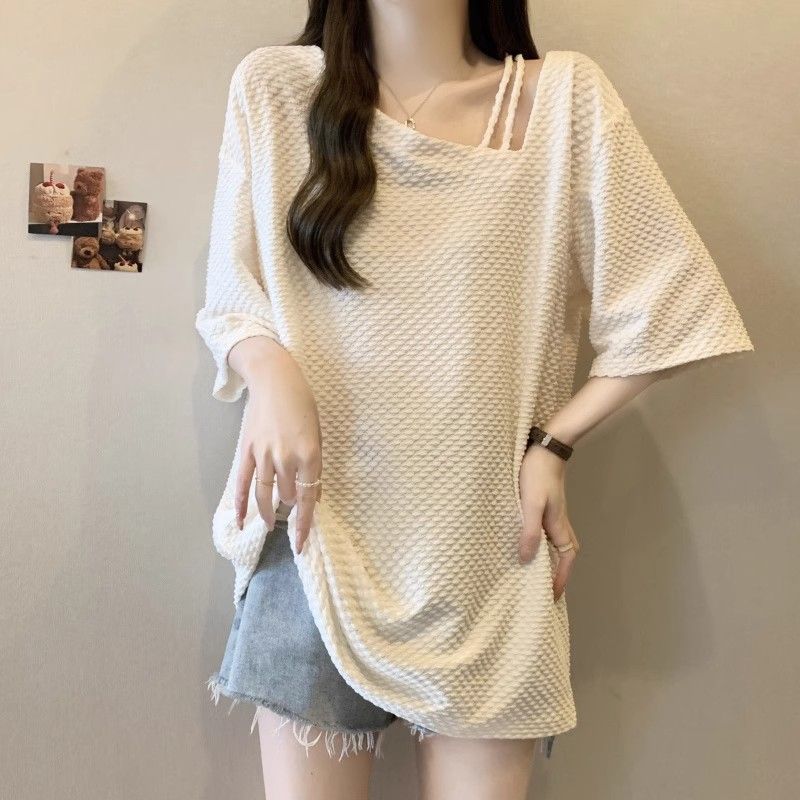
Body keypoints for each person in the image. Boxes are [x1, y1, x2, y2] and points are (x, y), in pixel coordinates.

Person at [195, 2, 755, 798]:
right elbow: (231, 297)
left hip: (491, 549)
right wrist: (270, 370)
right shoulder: (277, 90)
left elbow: (674, 306)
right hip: (315, 534)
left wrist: (554, 445)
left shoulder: (563, 102)